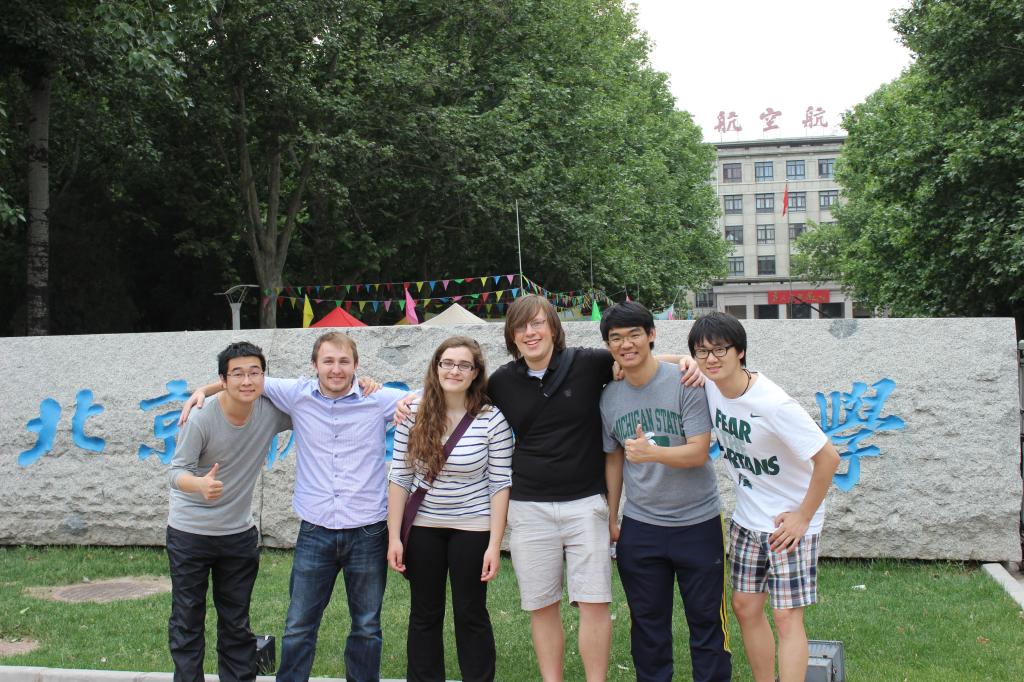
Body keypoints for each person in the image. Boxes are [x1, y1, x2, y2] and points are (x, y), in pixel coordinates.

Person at [482, 294, 701, 682]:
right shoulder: (502, 381)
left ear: (553, 328)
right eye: (520, 326)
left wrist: (685, 361)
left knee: (594, 602)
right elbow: (456, 395)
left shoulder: (587, 363)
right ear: (511, 336)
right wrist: (409, 401)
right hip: (529, 506)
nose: (530, 333)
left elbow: (638, 361)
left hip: (586, 504)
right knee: (542, 605)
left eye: (537, 323)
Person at [180, 331, 405, 682]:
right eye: (328, 361)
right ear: (314, 365)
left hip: (368, 531)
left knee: (367, 625)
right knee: (299, 624)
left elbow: (433, 397)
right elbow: (247, 380)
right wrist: (204, 390)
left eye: (344, 362)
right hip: (315, 530)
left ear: (356, 366)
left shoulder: (379, 400)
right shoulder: (297, 394)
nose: (336, 369)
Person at [688, 312, 840, 682]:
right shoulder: (711, 384)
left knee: (786, 616)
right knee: (744, 606)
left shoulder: (773, 404)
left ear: (740, 351)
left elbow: (828, 458)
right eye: (701, 351)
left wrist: (803, 517)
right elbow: (669, 361)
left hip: (788, 523)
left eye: (720, 350)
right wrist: (620, 365)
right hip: (748, 519)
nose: (710, 358)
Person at [599, 302, 731, 682]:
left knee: (707, 623)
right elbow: (613, 459)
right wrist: (613, 517)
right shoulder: (609, 397)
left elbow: (698, 451)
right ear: (608, 345)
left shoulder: (686, 381)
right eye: (616, 338)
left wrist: (652, 453)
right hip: (641, 526)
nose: (626, 344)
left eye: (634, 335)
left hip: (698, 522)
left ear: (652, 334)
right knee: (647, 626)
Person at [386, 336, 513, 682]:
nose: (454, 371)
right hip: (423, 527)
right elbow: (400, 476)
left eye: (463, 365)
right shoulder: (412, 413)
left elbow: (500, 484)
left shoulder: (491, 419)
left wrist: (494, 544)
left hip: (473, 527)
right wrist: (394, 537)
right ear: (436, 367)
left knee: (471, 613)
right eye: (447, 363)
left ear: (475, 373)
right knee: (424, 613)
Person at [166, 341, 292, 682]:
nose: (247, 381)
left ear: (264, 377)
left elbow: (316, 399)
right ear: (224, 379)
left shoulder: (270, 412)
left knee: (236, 623)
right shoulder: (201, 418)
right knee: (187, 620)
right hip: (190, 533)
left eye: (254, 372)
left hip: (237, 535)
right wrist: (199, 485)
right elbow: (176, 472)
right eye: (237, 374)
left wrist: (362, 385)